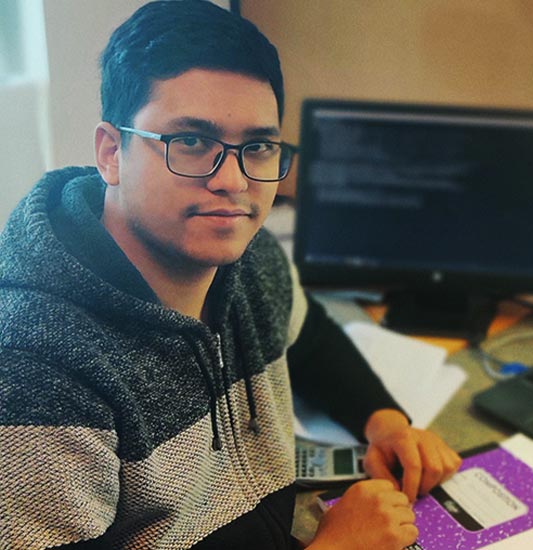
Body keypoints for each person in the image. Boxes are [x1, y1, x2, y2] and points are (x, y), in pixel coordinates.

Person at [0, 1, 461, 548]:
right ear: (110, 153)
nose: (233, 180)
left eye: (258, 147)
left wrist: (383, 421)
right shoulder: (33, 368)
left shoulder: (253, 258)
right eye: (192, 142)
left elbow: (308, 339)